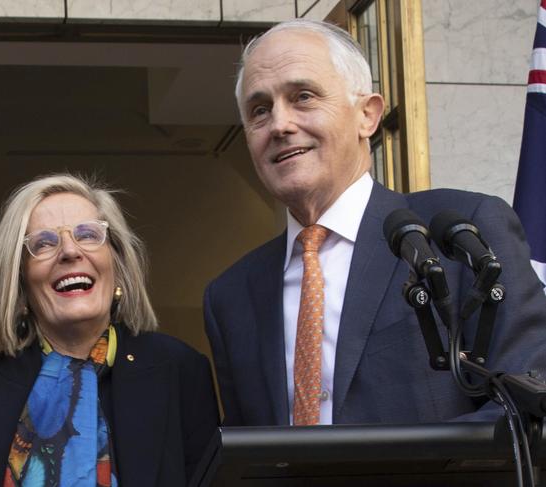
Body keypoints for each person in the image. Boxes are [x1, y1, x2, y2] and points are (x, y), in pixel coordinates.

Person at [204, 19, 546, 427]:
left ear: (368, 115)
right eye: (260, 110)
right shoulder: (231, 297)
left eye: (304, 97)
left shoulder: (459, 234)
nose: (280, 125)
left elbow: (528, 399)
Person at [0, 174, 219, 487]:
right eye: (44, 243)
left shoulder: (181, 370)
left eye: (88, 234)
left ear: (117, 265)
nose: (70, 251)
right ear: (18, 282)